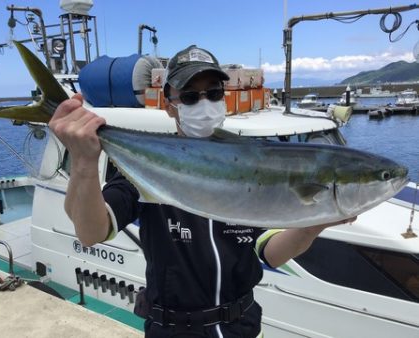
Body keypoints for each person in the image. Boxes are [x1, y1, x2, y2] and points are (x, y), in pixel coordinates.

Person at [49, 45, 355, 338]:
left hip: (243, 327)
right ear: (169, 106)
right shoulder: (147, 166)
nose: (205, 103)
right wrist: (84, 162)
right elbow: (90, 232)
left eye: (213, 93)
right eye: (191, 96)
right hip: (174, 331)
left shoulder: (251, 163)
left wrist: (316, 222)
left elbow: (270, 254)